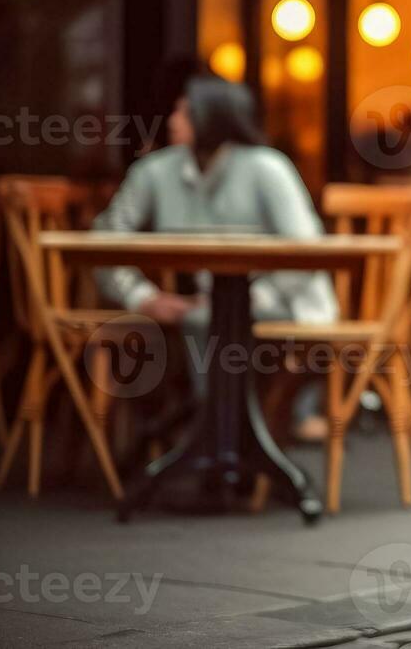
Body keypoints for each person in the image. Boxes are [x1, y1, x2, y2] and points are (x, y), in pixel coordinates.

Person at [95, 75, 339, 437]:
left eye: (185, 112)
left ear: (214, 117)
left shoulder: (266, 168)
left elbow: (305, 249)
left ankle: (219, 436)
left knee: (203, 320)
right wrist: (141, 297)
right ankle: (221, 437)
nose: (173, 121)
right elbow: (105, 238)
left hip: (285, 303)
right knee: (199, 320)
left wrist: (259, 295)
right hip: (207, 302)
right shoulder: (156, 171)